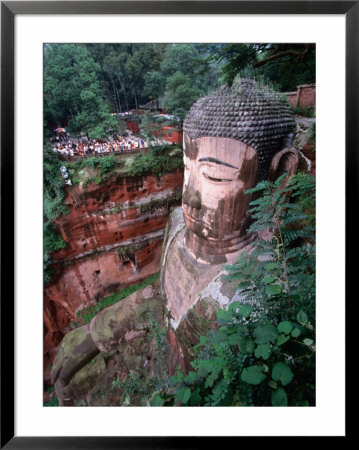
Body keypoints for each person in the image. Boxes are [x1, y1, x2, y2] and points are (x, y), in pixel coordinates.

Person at [51, 79, 299, 405]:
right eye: (186, 169)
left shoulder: (263, 293)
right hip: (158, 351)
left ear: (279, 175)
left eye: (214, 177)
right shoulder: (179, 225)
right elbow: (159, 295)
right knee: (71, 383)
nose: (189, 197)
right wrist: (96, 334)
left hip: (188, 393)